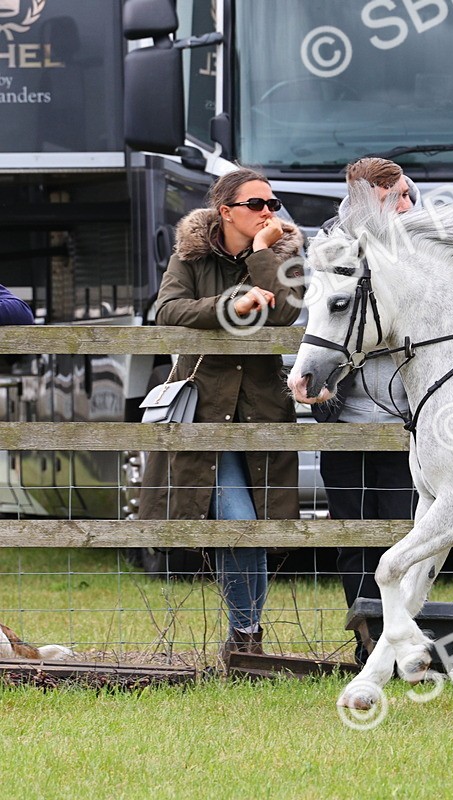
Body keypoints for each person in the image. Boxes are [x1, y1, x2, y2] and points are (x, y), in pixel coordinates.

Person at [139, 168, 305, 663]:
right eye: (256, 204)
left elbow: (284, 315)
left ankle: (245, 637)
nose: (268, 213)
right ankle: (247, 634)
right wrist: (235, 302)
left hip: (261, 413)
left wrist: (260, 257)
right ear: (226, 211)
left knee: (254, 526)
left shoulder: (281, 254)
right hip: (203, 412)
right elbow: (167, 311)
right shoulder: (190, 255)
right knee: (238, 520)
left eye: (272, 204)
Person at [315, 157, 418, 667]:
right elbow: (315, 319)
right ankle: (367, 638)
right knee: (352, 534)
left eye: (399, 194)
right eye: (390, 194)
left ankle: (401, 635)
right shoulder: (331, 242)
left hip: (405, 418)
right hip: (346, 417)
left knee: (403, 532)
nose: (398, 203)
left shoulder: (418, 238)